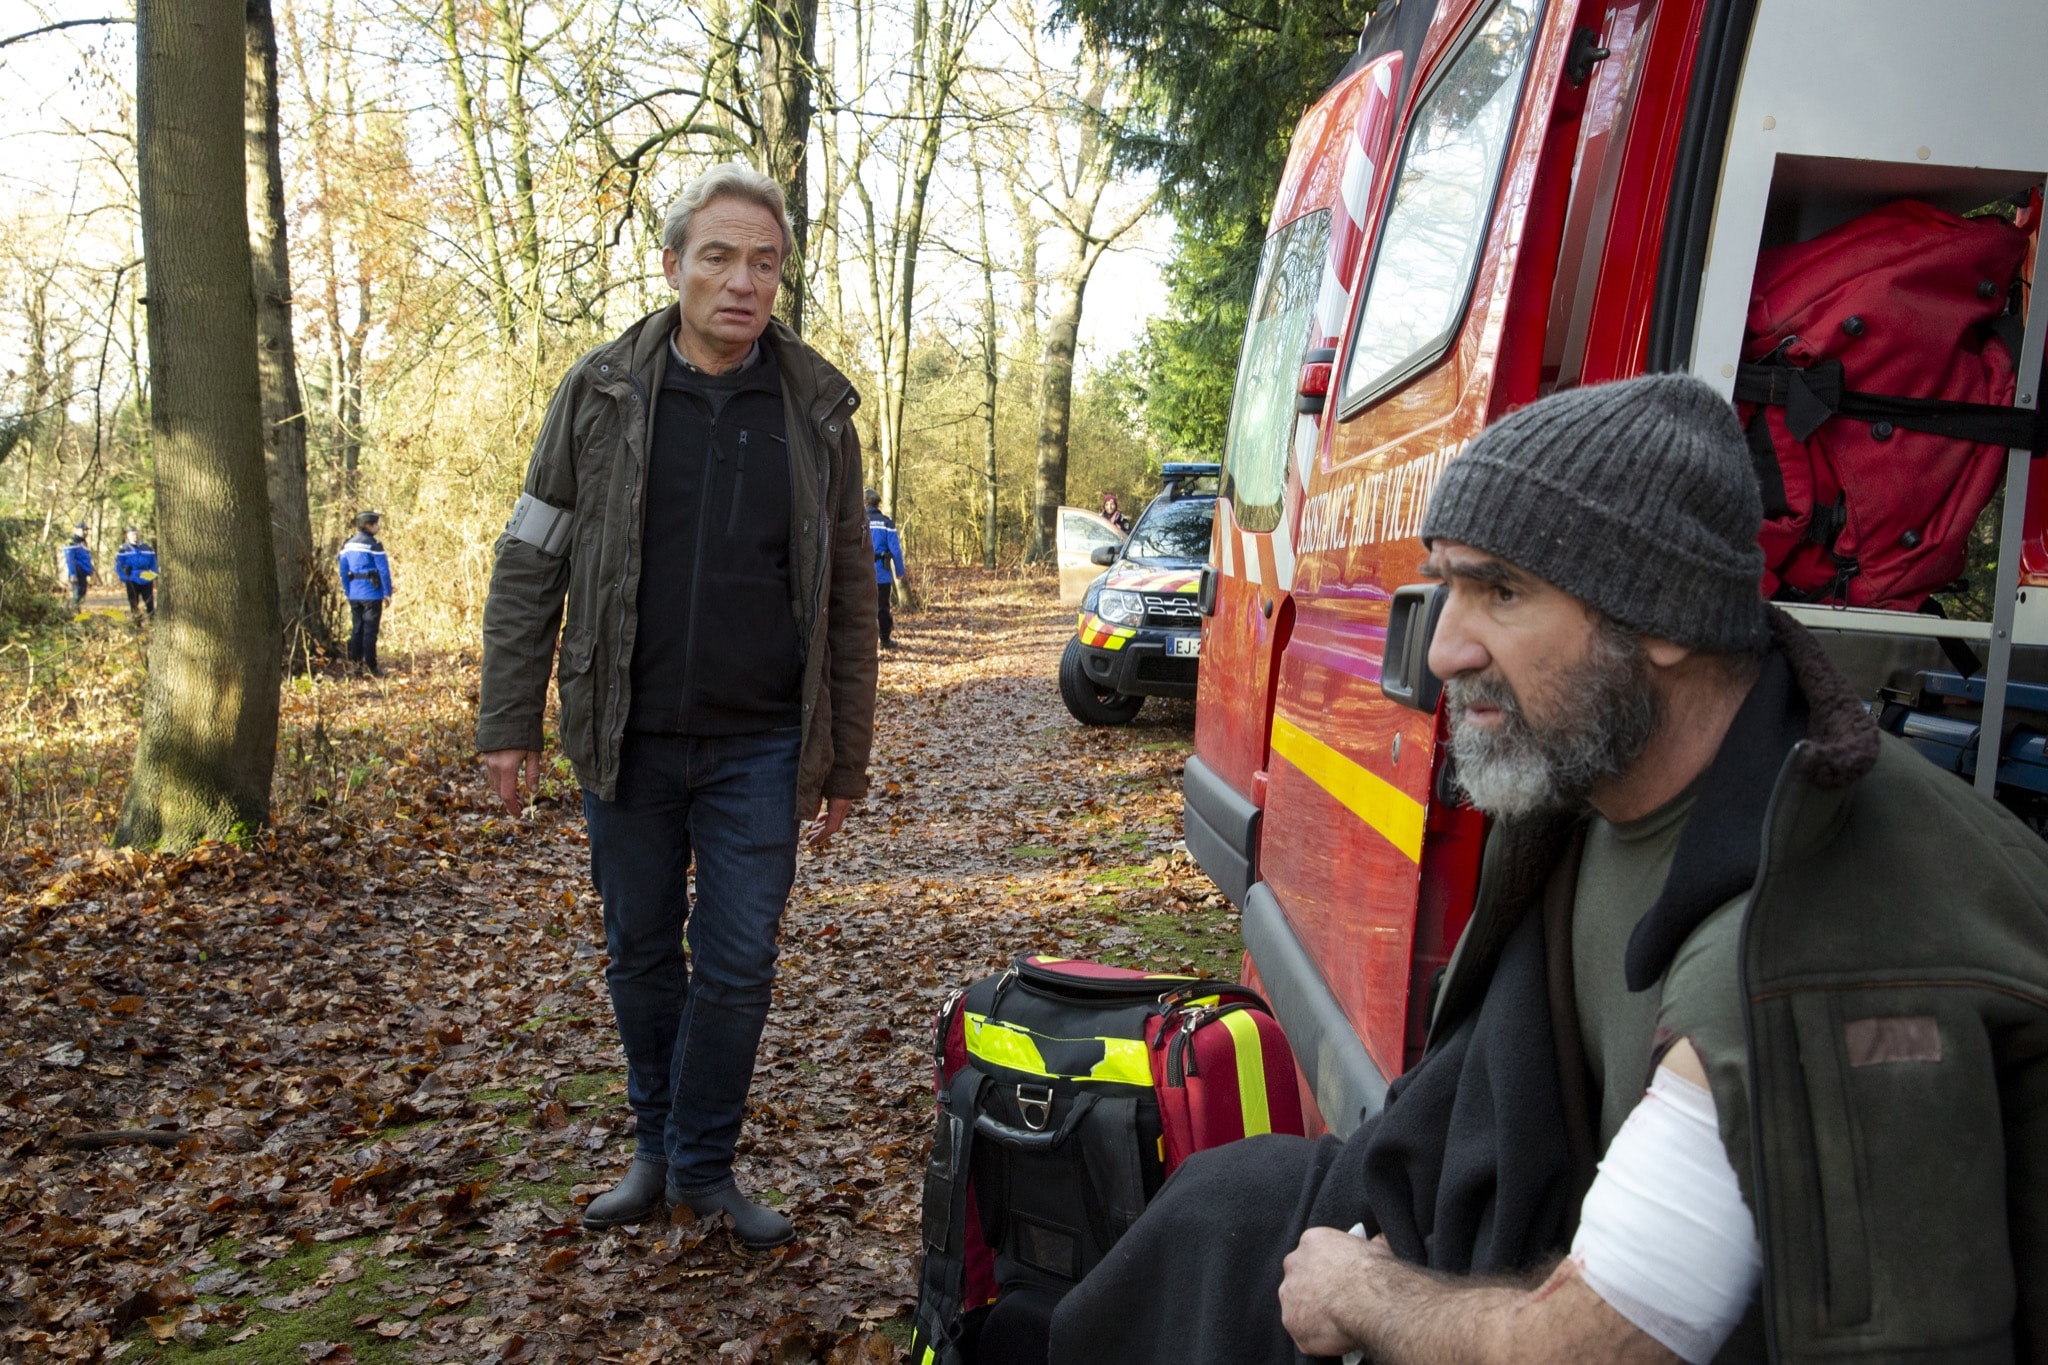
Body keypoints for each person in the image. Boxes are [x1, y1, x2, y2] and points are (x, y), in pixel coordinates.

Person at [1048, 374, 2048, 1363]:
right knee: (1213, 1215)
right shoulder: (1618, 783)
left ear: (1658, 618)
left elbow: (1596, 1345)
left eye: (1500, 591)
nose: (1441, 649)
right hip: (1527, 1247)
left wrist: (1366, 1293)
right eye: (1444, 583)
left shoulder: (1799, 947)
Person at [476, 163, 877, 1250]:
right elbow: (530, 558)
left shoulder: (819, 412)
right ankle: (655, 1148)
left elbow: (848, 595)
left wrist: (844, 762)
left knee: (739, 958)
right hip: (627, 733)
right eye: (719, 256)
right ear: (672, 266)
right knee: (640, 951)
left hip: (762, 742)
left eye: (764, 262)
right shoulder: (599, 392)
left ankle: (704, 1165)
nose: (742, 282)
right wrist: (506, 718)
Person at [338, 511, 394, 675]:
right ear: (368, 526)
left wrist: (349, 591)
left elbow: (343, 571)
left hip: (355, 594)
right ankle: (372, 667)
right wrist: (387, 592)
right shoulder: (374, 545)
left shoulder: (347, 545)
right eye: (376, 524)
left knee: (357, 630)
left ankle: (356, 667)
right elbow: (383, 571)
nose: (378, 526)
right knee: (370, 631)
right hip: (372, 594)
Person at [866, 488, 907, 649]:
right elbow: (895, 550)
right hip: (882, 574)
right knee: (882, 607)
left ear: (864, 503)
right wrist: (900, 571)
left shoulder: (859, 521)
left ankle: (864, 643)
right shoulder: (887, 522)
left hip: (862, 574)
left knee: (862, 608)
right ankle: (884, 640)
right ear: (878, 503)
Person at [114, 526, 158, 619]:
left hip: (146, 577)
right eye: (133, 534)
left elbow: (154, 563)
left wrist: (152, 576)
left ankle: (152, 622)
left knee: (149, 602)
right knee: (133, 603)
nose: (136, 536)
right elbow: (119, 565)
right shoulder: (123, 550)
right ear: (128, 536)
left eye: (137, 534)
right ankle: (136, 625)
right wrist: (125, 578)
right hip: (132, 578)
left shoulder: (147, 548)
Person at [61, 527, 95, 612]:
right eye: (83, 530)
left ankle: (77, 613)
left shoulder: (83, 542)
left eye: (86, 530)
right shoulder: (71, 542)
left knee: (82, 594)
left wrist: (90, 570)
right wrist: (73, 574)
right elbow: (70, 559)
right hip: (76, 572)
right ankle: (72, 612)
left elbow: (85, 558)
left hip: (83, 573)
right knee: (77, 594)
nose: (86, 532)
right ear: (77, 530)